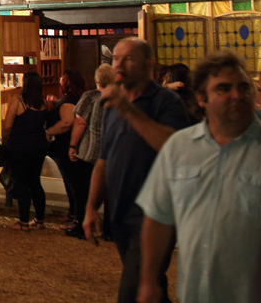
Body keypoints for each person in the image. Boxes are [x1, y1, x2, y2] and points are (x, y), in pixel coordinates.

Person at [136, 51, 261, 303]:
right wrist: (148, 280)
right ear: (201, 98)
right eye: (224, 88)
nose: (237, 95)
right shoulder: (179, 149)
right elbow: (158, 217)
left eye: (243, 87)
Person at [81, 37, 190, 303]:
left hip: (155, 215)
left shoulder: (166, 101)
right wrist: (91, 207)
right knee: (150, 286)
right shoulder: (112, 105)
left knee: (134, 289)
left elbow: (172, 146)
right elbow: (105, 160)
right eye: (116, 58)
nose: (119, 64)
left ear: (149, 63)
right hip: (120, 212)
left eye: (127, 58)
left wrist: (126, 109)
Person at [66, 63, 116, 239]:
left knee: (83, 191)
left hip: (89, 153)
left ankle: (82, 226)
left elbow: (80, 122)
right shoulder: (120, 97)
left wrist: (72, 146)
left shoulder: (90, 97)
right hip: (112, 153)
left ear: (96, 80)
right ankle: (110, 230)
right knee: (111, 194)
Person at [2, 71, 49, 231]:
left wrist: (5, 139)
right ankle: (40, 220)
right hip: (39, 146)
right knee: (35, 181)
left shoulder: (18, 102)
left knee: (22, 182)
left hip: (20, 146)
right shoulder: (43, 102)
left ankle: (23, 221)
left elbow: (7, 125)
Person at [46, 69, 85, 229]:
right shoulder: (77, 99)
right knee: (71, 181)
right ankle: (73, 213)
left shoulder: (69, 101)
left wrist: (48, 132)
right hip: (67, 147)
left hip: (65, 147)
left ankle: (77, 216)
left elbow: (67, 122)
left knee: (73, 182)